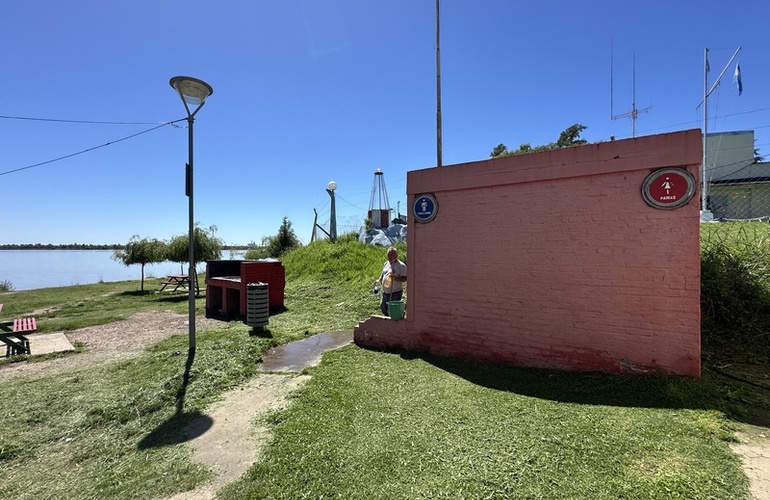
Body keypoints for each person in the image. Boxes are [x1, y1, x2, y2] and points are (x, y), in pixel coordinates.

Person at [375, 246, 407, 316]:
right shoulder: (386, 264)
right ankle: (387, 322)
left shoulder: (401, 265)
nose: (390, 257)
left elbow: (405, 278)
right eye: (388, 255)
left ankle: (394, 322)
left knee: (393, 310)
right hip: (385, 292)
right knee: (383, 307)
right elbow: (383, 274)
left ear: (396, 255)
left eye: (391, 255)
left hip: (395, 292)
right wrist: (379, 280)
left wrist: (395, 278)